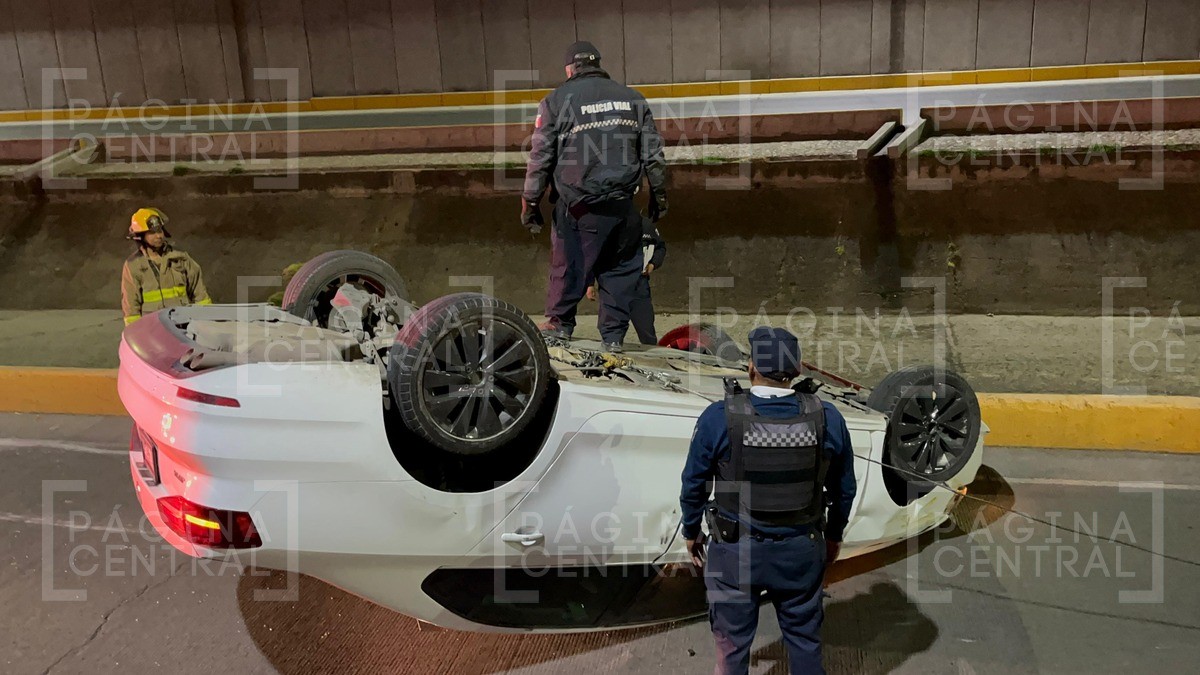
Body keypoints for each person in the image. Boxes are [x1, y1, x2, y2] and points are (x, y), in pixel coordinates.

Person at [680, 327, 857, 675]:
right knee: (805, 644)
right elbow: (844, 489)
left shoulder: (720, 417)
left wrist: (691, 530)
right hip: (800, 552)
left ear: (750, 368)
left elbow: (693, 483)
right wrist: (834, 537)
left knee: (731, 649)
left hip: (735, 554)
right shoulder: (828, 418)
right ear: (799, 370)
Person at [521, 40, 668, 339]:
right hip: (622, 207)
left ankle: (560, 324)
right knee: (619, 268)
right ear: (598, 64)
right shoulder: (634, 99)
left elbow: (541, 157)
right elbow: (653, 155)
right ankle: (613, 340)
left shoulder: (555, 101)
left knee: (568, 264)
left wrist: (530, 201)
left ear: (569, 68)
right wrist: (659, 196)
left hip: (578, 207)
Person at [121, 207, 211, 325]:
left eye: (160, 230)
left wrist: (207, 323)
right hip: (153, 330)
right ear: (141, 236)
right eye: (152, 232)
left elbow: (200, 294)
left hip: (184, 326)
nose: (158, 236)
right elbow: (131, 306)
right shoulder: (134, 265)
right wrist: (136, 334)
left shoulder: (180, 258)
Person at [587, 215, 666, 348]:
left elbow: (660, 247)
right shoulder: (607, 225)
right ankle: (611, 348)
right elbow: (593, 254)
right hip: (613, 282)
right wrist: (590, 283)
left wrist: (653, 264)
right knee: (611, 324)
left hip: (639, 283)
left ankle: (652, 354)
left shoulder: (645, 225)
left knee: (645, 325)